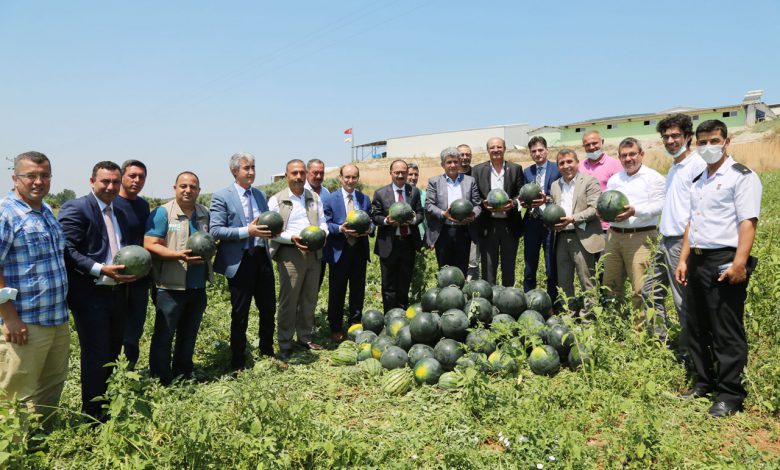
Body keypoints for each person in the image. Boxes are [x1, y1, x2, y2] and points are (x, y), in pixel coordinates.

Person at [675, 119, 762, 417]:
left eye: (714, 140)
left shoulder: (741, 176)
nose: (708, 147)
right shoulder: (700, 178)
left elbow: (747, 222)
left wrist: (740, 263)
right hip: (698, 259)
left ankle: (730, 394)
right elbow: (691, 222)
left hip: (724, 259)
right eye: (703, 142)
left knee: (726, 329)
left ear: (727, 140)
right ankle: (703, 382)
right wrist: (684, 258)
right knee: (697, 325)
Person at [59, 161, 137, 419]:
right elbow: (67, 250)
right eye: (105, 181)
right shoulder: (77, 208)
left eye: (115, 182)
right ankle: (92, 415)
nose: (111, 186)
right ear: (92, 181)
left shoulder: (120, 211)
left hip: (117, 292)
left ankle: (109, 404)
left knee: (114, 351)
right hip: (90, 294)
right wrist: (99, 269)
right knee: (96, 354)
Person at [0, 151, 69, 421]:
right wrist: (9, 317)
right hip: (24, 322)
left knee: (51, 386)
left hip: (55, 318)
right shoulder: (6, 214)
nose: (38, 181)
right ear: (15, 178)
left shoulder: (47, 211)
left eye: (44, 175)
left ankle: (41, 445)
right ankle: (11, 458)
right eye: (31, 176)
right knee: (15, 393)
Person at [641, 114, 706, 344]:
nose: (670, 141)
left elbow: (698, 210)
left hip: (682, 241)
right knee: (649, 291)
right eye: (666, 136)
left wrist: (686, 249)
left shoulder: (697, 165)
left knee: (683, 299)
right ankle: (661, 340)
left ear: (688, 136)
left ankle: (692, 350)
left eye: (675, 135)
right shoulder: (674, 167)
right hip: (665, 239)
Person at [209, 152, 276, 369]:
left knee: (268, 309)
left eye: (253, 167)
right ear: (234, 171)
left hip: (261, 258)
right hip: (240, 261)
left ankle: (267, 351)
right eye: (246, 168)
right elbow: (216, 230)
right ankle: (237, 360)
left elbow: (266, 224)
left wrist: (272, 230)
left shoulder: (260, 194)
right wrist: (247, 231)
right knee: (240, 313)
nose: (251, 172)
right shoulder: (222, 196)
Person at [144, 172, 211, 385]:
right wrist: (178, 255)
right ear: (175, 188)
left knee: (189, 333)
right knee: (164, 335)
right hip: (169, 285)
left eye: (193, 187)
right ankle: (160, 377)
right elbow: (150, 244)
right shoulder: (163, 213)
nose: (188, 190)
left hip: (197, 285)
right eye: (183, 186)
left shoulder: (204, 213)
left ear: (199, 190)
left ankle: (183, 372)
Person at [268, 159, 328, 361]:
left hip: (314, 251)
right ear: (286, 176)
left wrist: (322, 235)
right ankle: (285, 342)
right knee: (289, 299)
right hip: (290, 253)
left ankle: (304, 336)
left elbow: (323, 223)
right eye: (294, 173)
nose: (299, 177)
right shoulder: (276, 200)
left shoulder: (314, 197)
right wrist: (292, 238)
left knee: (309, 297)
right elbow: (271, 232)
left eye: (302, 173)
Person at [601, 138, 665, 316]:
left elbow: (661, 205)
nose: (628, 159)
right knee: (611, 284)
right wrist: (602, 212)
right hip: (614, 236)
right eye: (624, 156)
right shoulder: (615, 180)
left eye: (632, 154)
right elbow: (608, 202)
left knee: (640, 288)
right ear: (619, 158)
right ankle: (615, 328)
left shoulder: (654, 178)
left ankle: (640, 333)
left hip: (641, 237)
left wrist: (635, 211)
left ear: (641, 154)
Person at [548, 149, 604, 312]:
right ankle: (568, 314)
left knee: (587, 280)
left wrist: (573, 218)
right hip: (562, 238)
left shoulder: (589, 181)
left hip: (582, 237)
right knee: (564, 280)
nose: (566, 166)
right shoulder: (555, 185)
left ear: (577, 162)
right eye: (561, 163)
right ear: (558, 166)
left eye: (569, 161)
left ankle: (590, 318)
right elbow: (554, 210)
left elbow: (595, 208)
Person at [323, 164, 373, 342]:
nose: (350, 181)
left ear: (357, 178)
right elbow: (326, 224)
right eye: (347, 177)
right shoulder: (330, 199)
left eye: (354, 177)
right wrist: (340, 229)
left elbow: (370, 220)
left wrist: (369, 229)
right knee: (337, 291)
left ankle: (355, 324)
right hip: (339, 251)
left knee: (357, 290)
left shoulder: (364, 198)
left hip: (359, 250)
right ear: (340, 178)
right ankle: (335, 327)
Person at [371, 159, 424, 311]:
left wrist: (413, 220)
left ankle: (402, 313)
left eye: (403, 172)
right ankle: (389, 315)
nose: (400, 175)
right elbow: (375, 216)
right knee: (388, 284)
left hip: (407, 243)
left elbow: (420, 213)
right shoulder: (380, 193)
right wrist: (387, 221)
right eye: (397, 172)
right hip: (388, 244)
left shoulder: (414, 192)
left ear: (407, 173)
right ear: (391, 173)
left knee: (404, 281)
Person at [471, 137, 525, 286]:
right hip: (488, 225)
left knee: (509, 266)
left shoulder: (515, 169)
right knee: (488, 267)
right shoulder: (477, 170)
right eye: (492, 147)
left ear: (505, 148)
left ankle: (508, 300)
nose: (496, 150)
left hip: (509, 224)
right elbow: (474, 195)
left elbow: (521, 193)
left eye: (499, 147)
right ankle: (490, 301)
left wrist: (513, 203)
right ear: (488, 150)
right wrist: (483, 204)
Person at [113, 159, 151, 369]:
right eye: (132, 175)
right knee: (114, 328)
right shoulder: (111, 203)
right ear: (122, 177)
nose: (137, 180)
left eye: (141, 177)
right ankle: (111, 372)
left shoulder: (143, 205)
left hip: (139, 277)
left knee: (135, 328)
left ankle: (130, 371)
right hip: (115, 275)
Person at [425, 147, 482, 275]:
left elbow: (477, 205)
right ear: (443, 165)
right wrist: (443, 214)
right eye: (449, 162)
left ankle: (459, 294)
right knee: (444, 269)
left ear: (460, 162)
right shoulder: (434, 181)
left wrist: (473, 215)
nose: (453, 165)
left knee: (461, 269)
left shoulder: (470, 181)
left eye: (455, 162)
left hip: (463, 231)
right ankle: (446, 294)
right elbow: (429, 205)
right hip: (444, 231)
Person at [521, 137, 561, 307]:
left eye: (540, 150)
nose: (537, 154)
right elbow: (523, 194)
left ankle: (552, 304)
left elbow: (562, 194)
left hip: (550, 223)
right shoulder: (527, 172)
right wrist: (522, 201)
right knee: (530, 265)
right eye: (533, 151)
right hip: (532, 222)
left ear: (546, 150)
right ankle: (528, 302)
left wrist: (548, 199)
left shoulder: (557, 168)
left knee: (551, 267)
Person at [579, 130, 622, 233]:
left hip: (606, 225)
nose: (591, 147)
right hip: (584, 224)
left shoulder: (615, 165)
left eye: (594, 143)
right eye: (587, 145)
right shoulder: (580, 166)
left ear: (602, 141)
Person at [304, 158, 330, 287]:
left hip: (322, 245)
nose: (319, 176)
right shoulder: (300, 191)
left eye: (321, 173)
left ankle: (310, 307)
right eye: (315, 172)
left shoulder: (326, 193)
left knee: (316, 282)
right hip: (302, 244)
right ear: (307, 172)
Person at [458, 144, 480, 280]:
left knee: (473, 264)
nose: (465, 157)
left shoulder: (477, 174)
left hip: (473, 226)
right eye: (462, 154)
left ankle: (474, 293)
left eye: (468, 154)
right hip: (453, 226)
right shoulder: (449, 175)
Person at [407, 162, 426, 240]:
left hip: (421, 237)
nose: (414, 177)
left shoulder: (425, 195)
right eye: (410, 174)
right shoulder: (398, 195)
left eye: (416, 174)